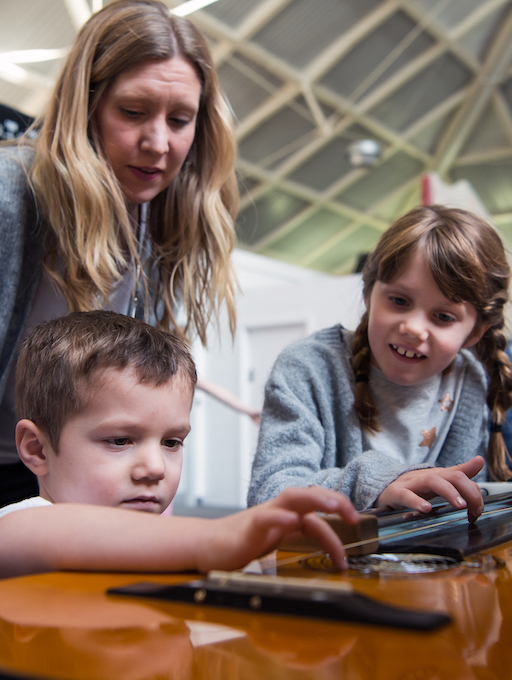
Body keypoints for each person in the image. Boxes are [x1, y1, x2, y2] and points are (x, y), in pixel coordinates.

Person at [0, 0, 239, 505]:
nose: (157, 142)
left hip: (57, 475)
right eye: (133, 112)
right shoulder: (10, 196)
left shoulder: (161, 222)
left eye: (180, 120)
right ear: (86, 106)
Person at [0, 311, 359, 579]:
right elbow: (39, 532)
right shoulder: (23, 523)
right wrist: (216, 537)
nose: (155, 468)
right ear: (37, 449)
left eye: (172, 442)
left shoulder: (163, 547)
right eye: (120, 440)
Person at [248, 205, 512, 521]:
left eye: (443, 317)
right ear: (368, 293)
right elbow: (269, 496)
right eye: (399, 301)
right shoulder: (307, 368)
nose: (413, 328)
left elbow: (461, 511)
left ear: (475, 332)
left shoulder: (468, 379)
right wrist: (379, 483)